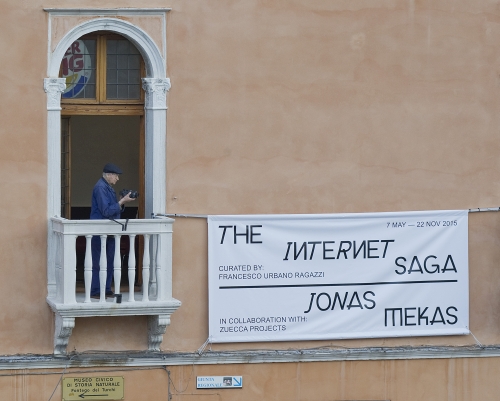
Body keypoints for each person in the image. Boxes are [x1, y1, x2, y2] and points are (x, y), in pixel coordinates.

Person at [90, 163, 135, 299]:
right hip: (100, 230)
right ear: (109, 175)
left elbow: (110, 208)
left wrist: (121, 201)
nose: (117, 179)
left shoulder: (106, 187)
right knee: (98, 261)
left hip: (109, 230)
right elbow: (106, 211)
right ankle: (96, 290)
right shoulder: (100, 188)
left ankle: (106, 288)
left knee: (110, 260)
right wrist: (121, 202)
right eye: (116, 176)